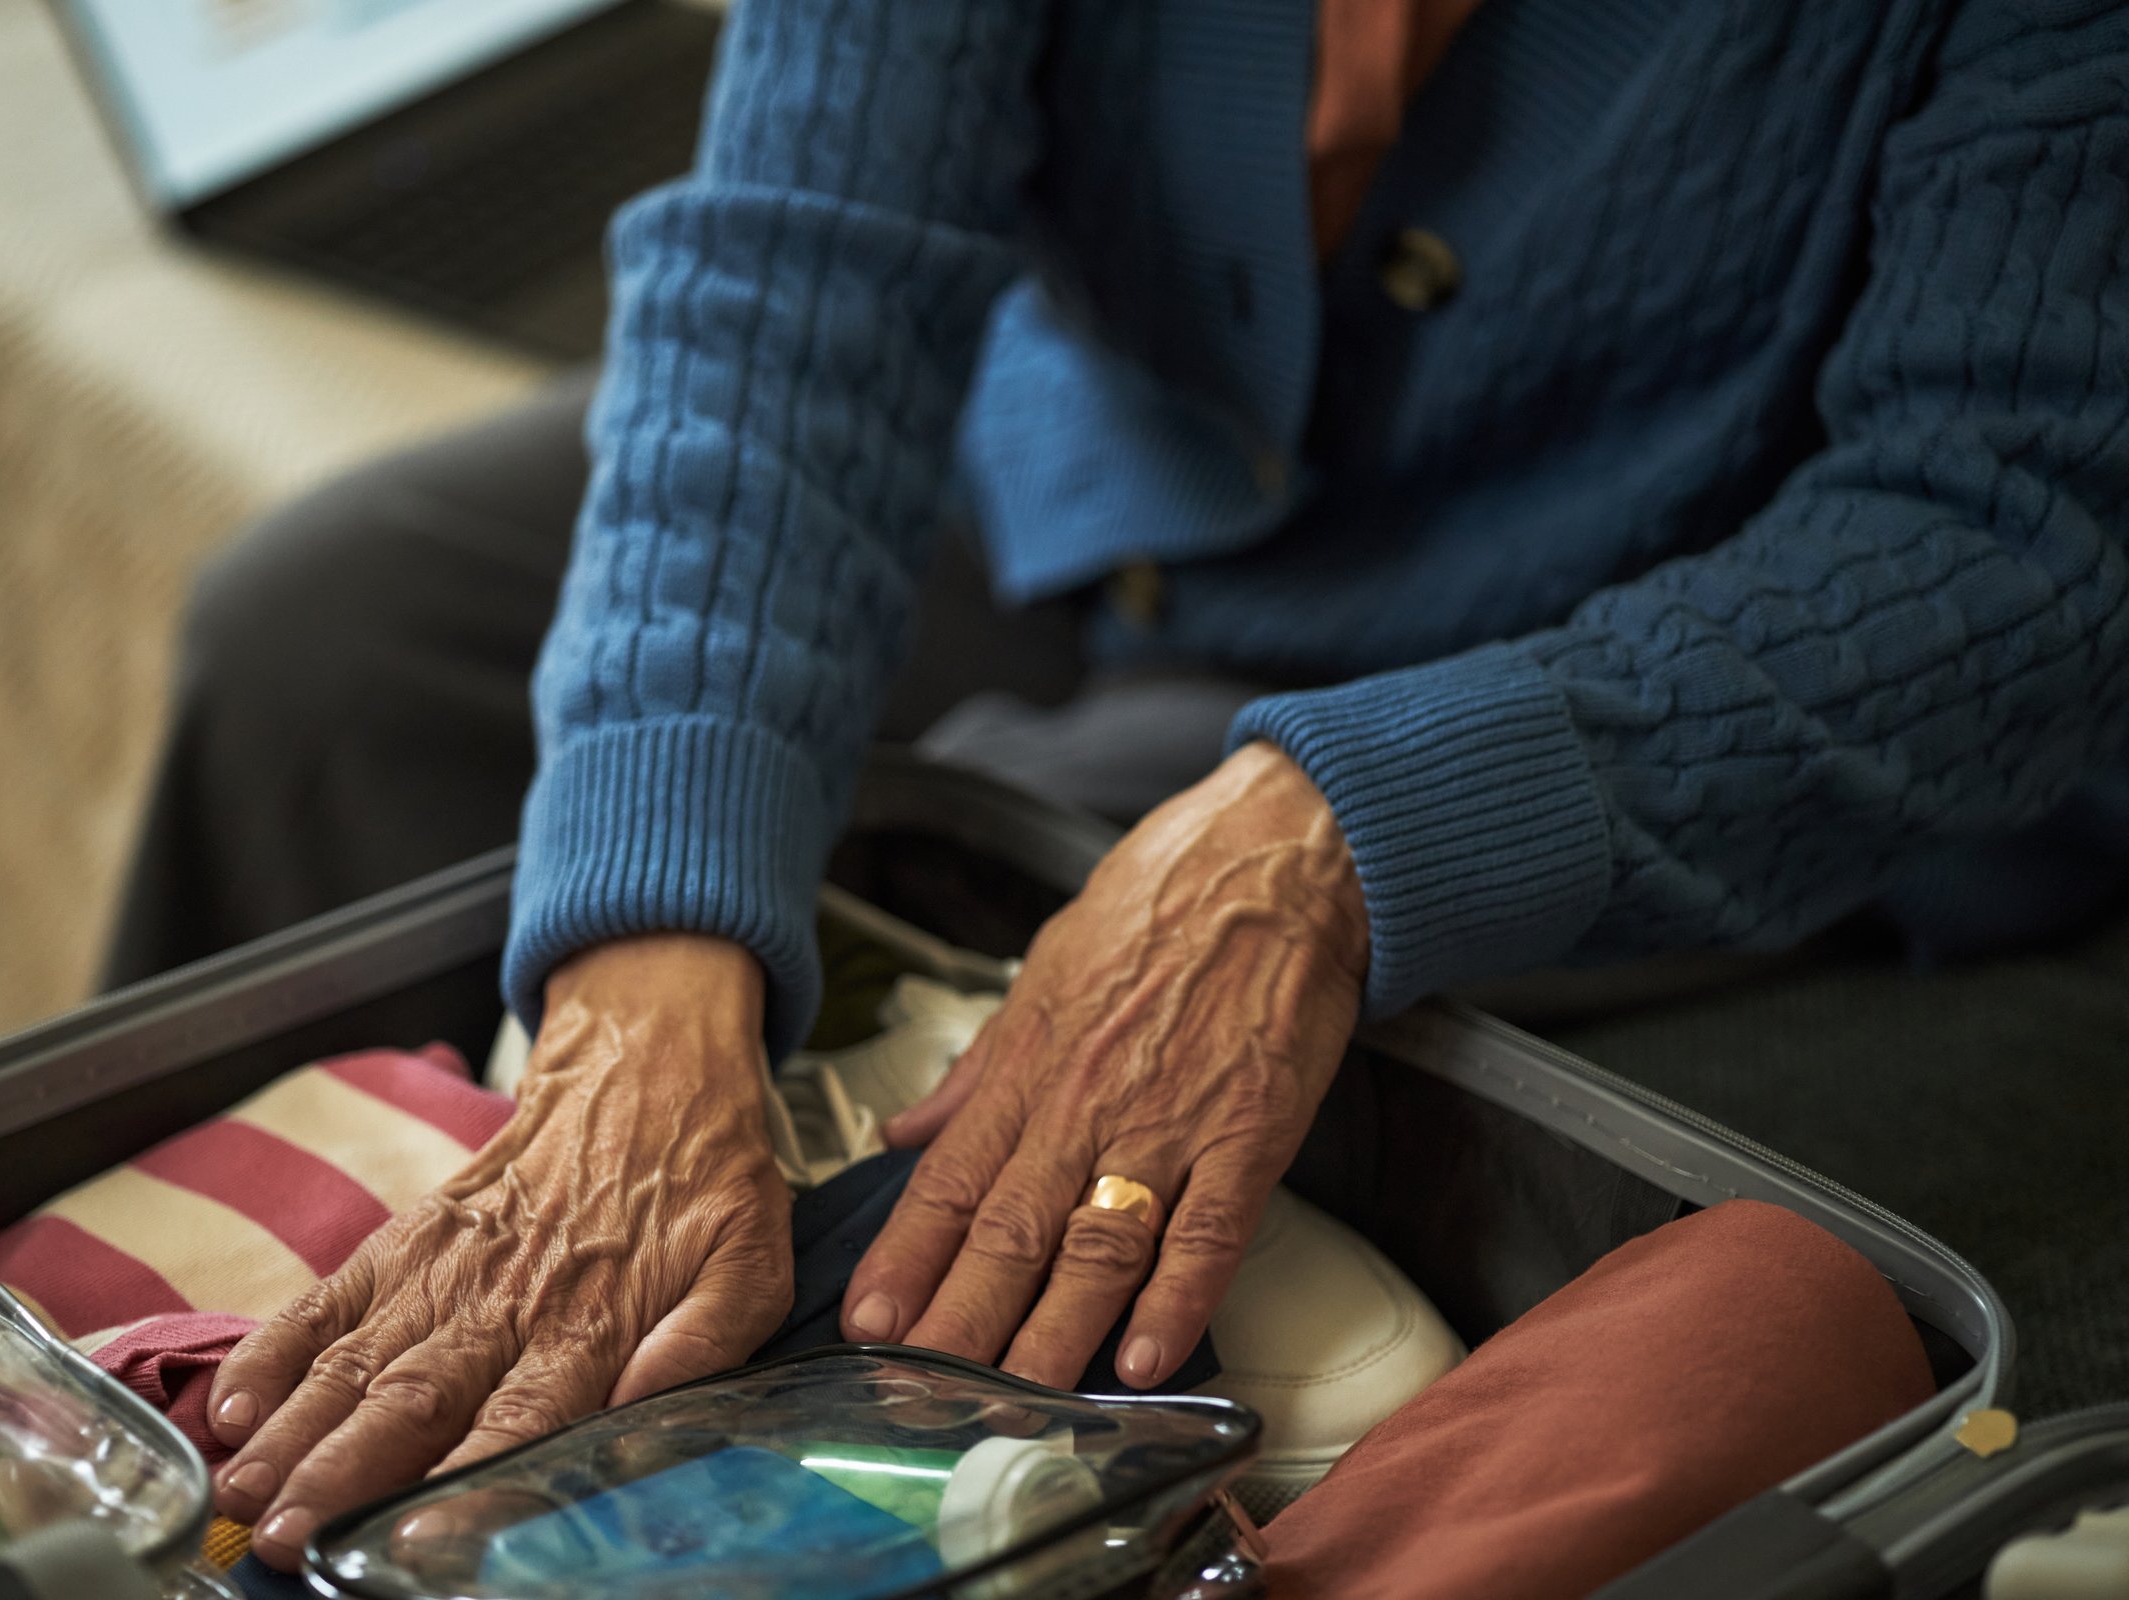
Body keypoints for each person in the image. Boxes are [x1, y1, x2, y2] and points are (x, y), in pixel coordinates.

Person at [104, 0, 2129, 1569]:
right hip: (1113, 459)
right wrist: (643, 970)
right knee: (331, 642)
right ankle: (167, 1419)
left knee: (987, 889)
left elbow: (2020, 527)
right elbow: (805, 262)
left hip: (1643, 630)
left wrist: (1327, 839)